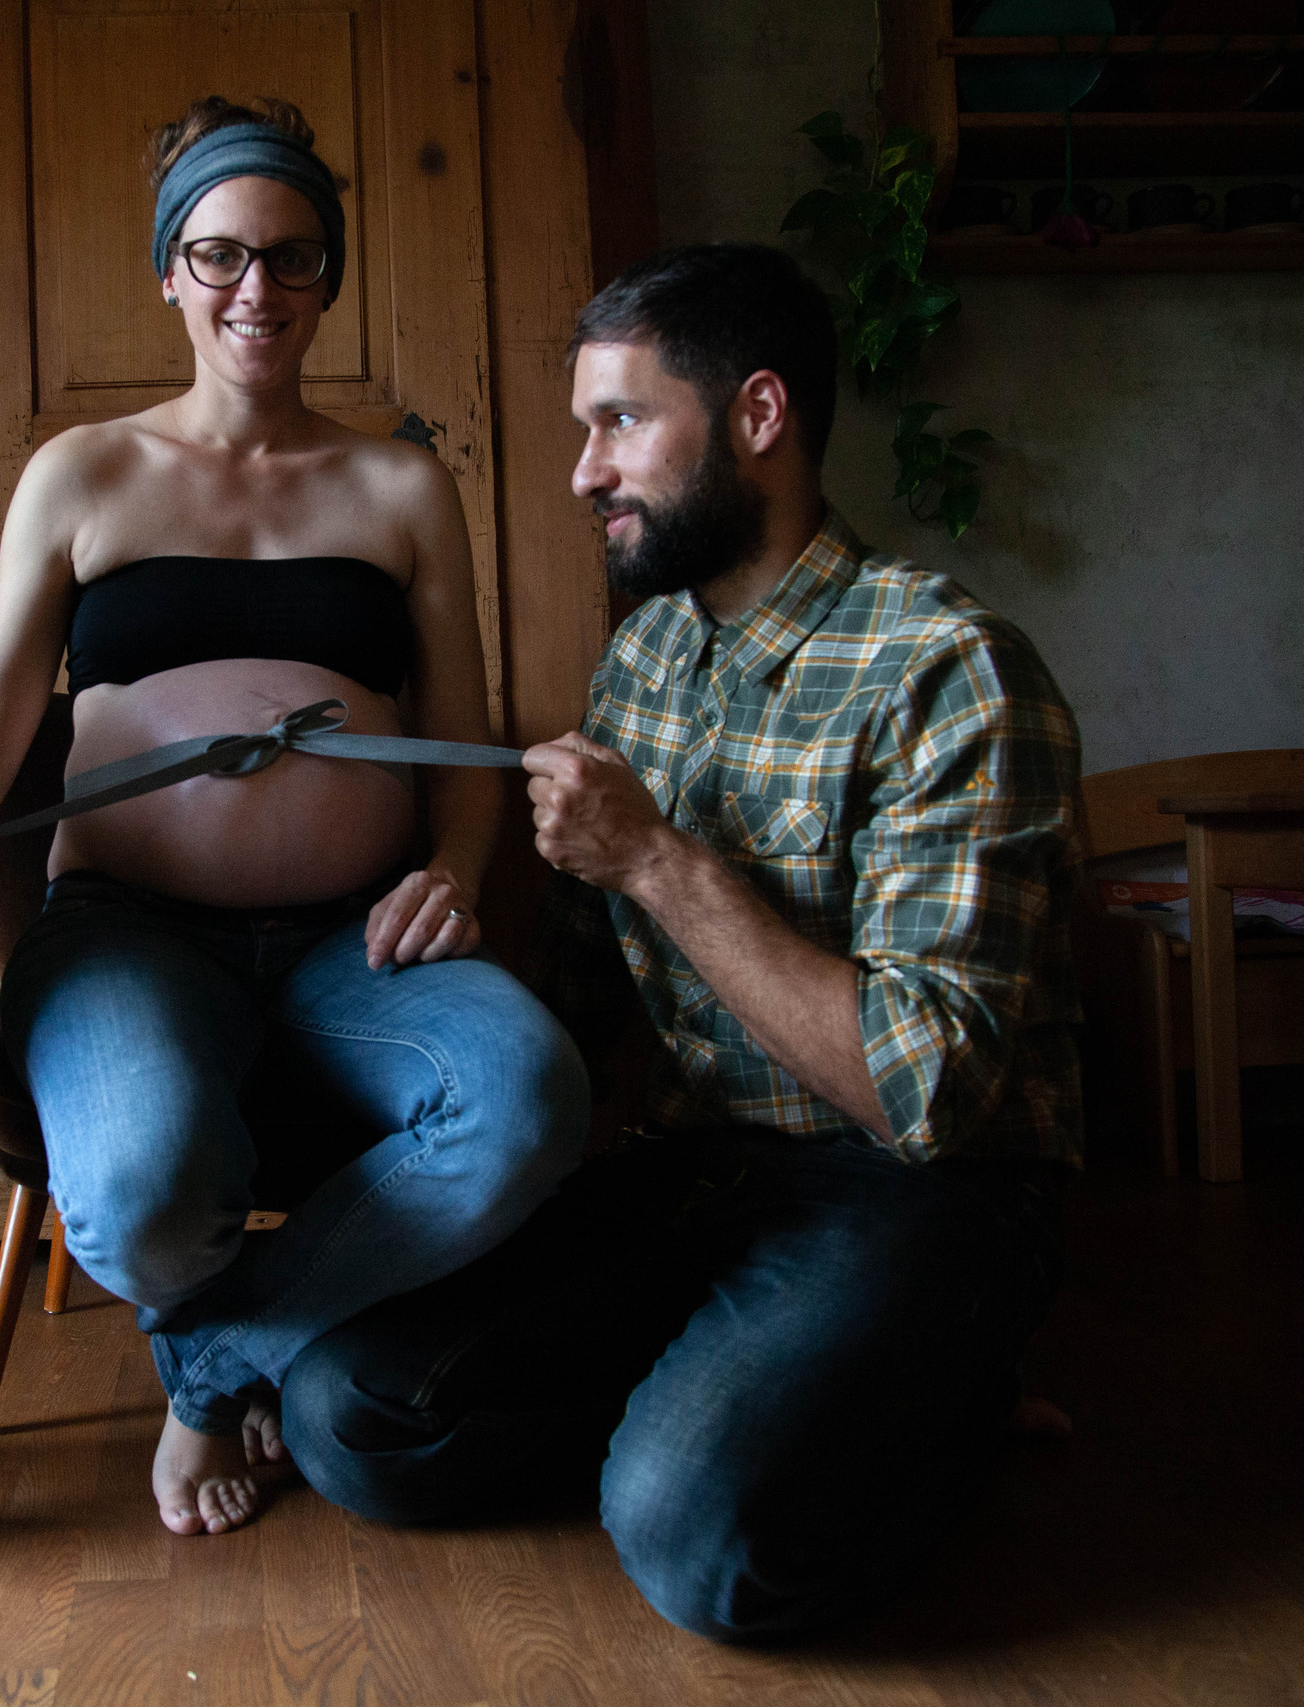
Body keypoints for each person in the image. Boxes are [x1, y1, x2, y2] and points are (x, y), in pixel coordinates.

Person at [278, 242, 1082, 1641]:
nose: (587, 471)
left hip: (912, 1191)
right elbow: (590, 1003)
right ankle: (764, 1396)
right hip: (697, 1176)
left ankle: (934, 1382)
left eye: (621, 422)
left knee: (701, 1547)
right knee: (347, 1412)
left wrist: (655, 857)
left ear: (759, 417)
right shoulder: (646, 658)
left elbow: (925, 1096)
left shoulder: (947, 669)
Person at [0, 99, 588, 1538]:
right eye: (217, 257)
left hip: (358, 936)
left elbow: (466, 738)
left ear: (331, 273)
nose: (256, 293)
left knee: (531, 1103)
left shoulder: (399, 482)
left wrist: (458, 867)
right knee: (142, 1185)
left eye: (292, 258)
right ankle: (245, 1355)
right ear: (168, 270)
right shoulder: (83, 476)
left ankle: (212, 1369)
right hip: (127, 936)